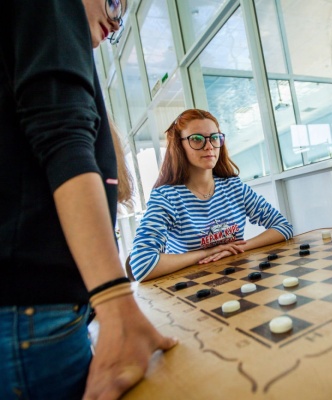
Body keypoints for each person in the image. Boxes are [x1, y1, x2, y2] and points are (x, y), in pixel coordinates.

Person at [0, 1, 178, 399]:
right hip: (32, 314)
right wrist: (116, 304)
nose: (116, 22)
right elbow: (62, 136)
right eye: (114, 3)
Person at [129, 109, 293, 281]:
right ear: (179, 145)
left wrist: (237, 248)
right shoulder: (166, 197)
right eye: (196, 139)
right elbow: (141, 265)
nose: (209, 146)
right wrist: (207, 253)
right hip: (191, 287)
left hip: (238, 278)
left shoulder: (234, 187)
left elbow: (283, 227)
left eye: (214, 138)